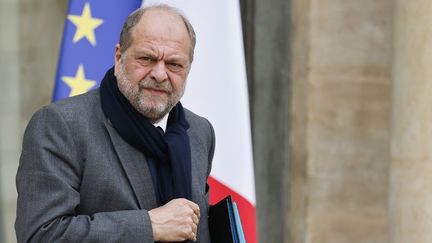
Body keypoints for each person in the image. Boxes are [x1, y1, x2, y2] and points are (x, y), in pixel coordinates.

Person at [15, 4, 215, 243]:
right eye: (147, 58)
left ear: (188, 69)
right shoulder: (60, 125)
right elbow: (41, 234)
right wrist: (149, 226)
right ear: (119, 56)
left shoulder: (200, 132)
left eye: (174, 64)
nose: (160, 74)